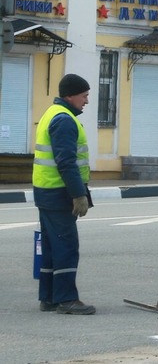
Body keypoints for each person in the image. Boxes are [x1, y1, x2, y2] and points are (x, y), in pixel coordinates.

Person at [33, 74, 96, 315]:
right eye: (84, 95)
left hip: (47, 192)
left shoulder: (52, 113)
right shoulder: (65, 120)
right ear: (71, 95)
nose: (86, 101)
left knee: (51, 247)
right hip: (59, 194)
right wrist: (78, 195)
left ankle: (48, 297)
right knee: (66, 247)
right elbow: (66, 162)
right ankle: (67, 299)